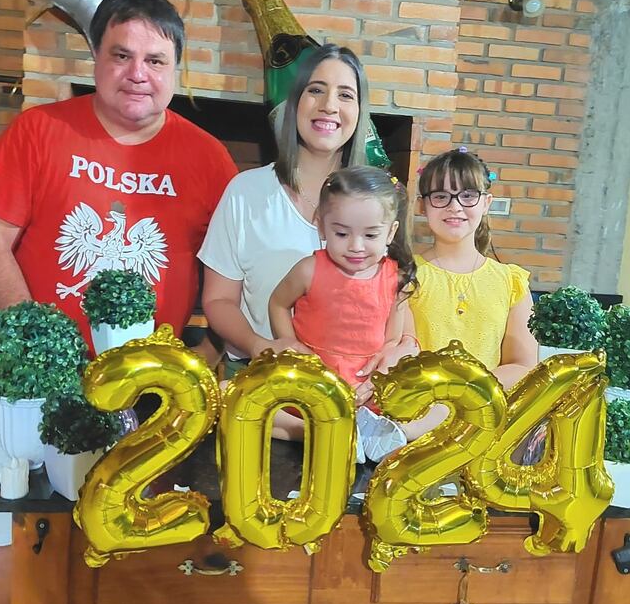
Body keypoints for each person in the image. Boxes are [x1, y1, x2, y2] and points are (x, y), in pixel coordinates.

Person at [0, 0, 237, 604]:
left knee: (128, 527)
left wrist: (200, 348)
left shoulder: (208, 158)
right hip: (37, 381)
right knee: (4, 520)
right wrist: (41, 341)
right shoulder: (40, 131)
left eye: (156, 59)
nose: (138, 72)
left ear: (177, 69)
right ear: (96, 60)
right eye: (122, 54)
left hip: (146, 392)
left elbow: (228, 275)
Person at [199, 44, 420, 438]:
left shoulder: (380, 199)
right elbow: (217, 300)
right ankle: (329, 432)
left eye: (345, 94)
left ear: (360, 111)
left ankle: (343, 433)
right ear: (295, 101)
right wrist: (261, 344)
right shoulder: (246, 191)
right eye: (316, 90)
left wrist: (403, 348)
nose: (329, 105)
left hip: (361, 391)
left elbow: (395, 293)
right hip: (265, 385)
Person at [268, 166, 420, 458]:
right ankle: (317, 432)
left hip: (366, 388)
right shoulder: (308, 269)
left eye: (371, 234)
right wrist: (288, 342)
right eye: (341, 233)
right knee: (229, 395)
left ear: (391, 232)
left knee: (440, 408)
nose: (356, 246)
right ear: (322, 226)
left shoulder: (395, 279)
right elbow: (277, 303)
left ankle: (357, 432)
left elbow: (392, 340)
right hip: (313, 380)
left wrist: (377, 377)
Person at [402, 146, 539, 442]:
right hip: (414, 425)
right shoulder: (404, 275)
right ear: (423, 206)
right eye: (441, 196)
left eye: (467, 195)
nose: (455, 207)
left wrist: (465, 393)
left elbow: (523, 364)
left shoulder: (511, 281)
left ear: (486, 202)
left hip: (482, 429)